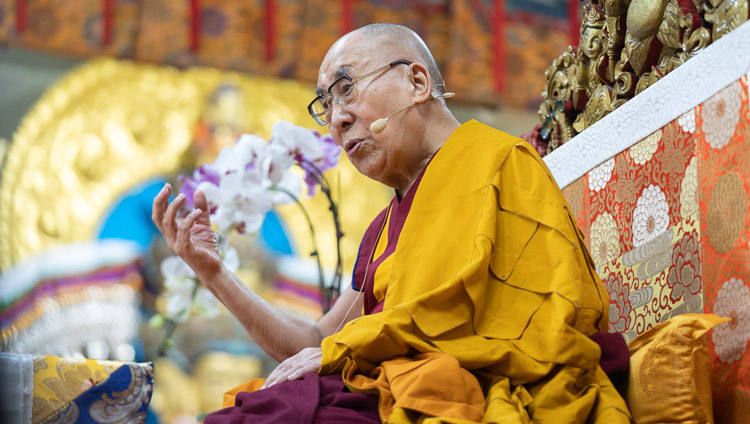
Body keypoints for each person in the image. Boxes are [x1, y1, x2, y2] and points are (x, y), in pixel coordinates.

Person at [152, 23, 631, 423]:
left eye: (347, 89)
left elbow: (540, 329)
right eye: (326, 105)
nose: (336, 120)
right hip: (391, 390)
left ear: (418, 83)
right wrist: (213, 273)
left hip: (451, 393)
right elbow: (318, 343)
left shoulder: (501, 163)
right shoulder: (381, 230)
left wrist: (350, 349)